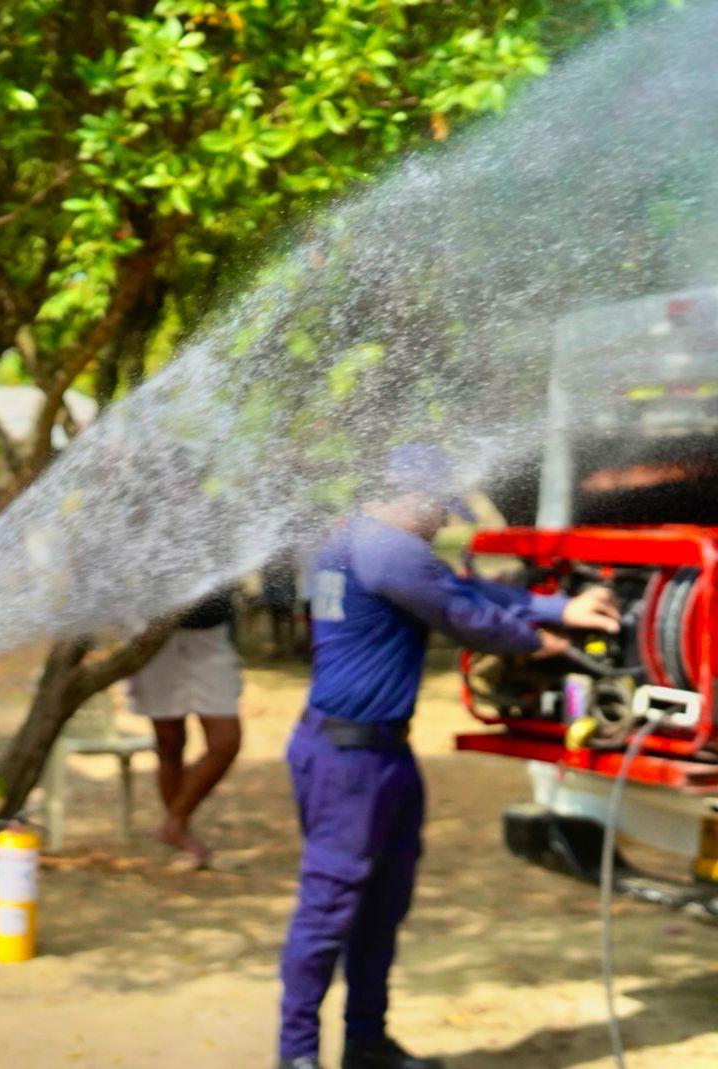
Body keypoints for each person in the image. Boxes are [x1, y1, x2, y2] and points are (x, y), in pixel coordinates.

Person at [275, 444, 618, 1069]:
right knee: (329, 909)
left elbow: (455, 587)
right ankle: (297, 1055)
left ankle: (366, 1044)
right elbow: (464, 616)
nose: (441, 523)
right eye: (439, 510)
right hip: (351, 762)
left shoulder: (358, 540)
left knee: (382, 905)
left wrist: (559, 607)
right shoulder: (390, 552)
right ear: (414, 499)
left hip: (371, 753)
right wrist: (536, 639)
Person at [123, 585, 243, 869]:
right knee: (169, 742)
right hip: (153, 630)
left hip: (210, 630)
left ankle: (174, 821)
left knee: (225, 742)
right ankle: (179, 832)